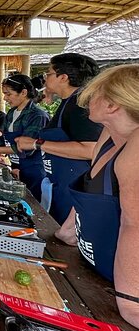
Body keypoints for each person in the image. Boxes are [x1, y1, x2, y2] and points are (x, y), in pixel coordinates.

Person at [54, 64, 139, 329]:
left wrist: (130, 302)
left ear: (113, 104)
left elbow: (134, 223)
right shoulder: (109, 135)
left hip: (123, 289)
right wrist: (68, 232)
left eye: (96, 93)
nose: (89, 98)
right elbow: (90, 186)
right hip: (97, 270)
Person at [15, 54, 102, 225]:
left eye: (49, 73)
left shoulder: (80, 104)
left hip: (74, 191)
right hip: (60, 186)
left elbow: (91, 149)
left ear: (63, 77)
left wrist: (36, 143)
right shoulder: (68, 102)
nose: (45, 77)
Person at [0, 75, 49, 201]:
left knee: (32, 204)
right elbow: (4, 139)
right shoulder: (12, 113)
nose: (5, 98)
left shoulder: (38, 116)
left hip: (34, 170)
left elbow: (25, 148)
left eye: (8, 94)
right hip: (18, 167)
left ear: (23, 93)